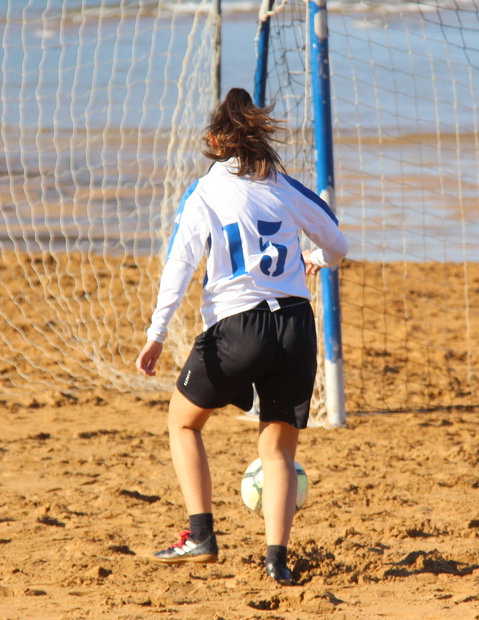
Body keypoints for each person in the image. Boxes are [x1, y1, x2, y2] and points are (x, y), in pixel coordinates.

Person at [135, 87, 349, 585]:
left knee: (183, 423)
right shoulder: (285, 186)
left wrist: (156, 332)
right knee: (278, 451)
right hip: (295, 327)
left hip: (238, 327)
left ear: (215, 141)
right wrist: (316, 259)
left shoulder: (206, 189)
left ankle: (201, 537)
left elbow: (180, 264)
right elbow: (338, 244)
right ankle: (277, 561)